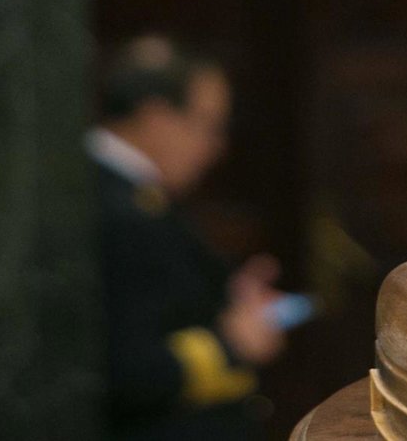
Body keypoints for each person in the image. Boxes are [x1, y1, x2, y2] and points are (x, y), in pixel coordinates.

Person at [88, 35, 286, 441]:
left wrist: (228, 299)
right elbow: (122, 368)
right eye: (207, 125)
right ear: (157, 119)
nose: (216, 147)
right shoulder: (116, 208)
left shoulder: (135, 194)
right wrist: (232, 343)